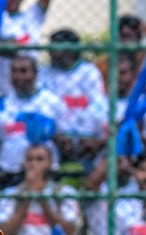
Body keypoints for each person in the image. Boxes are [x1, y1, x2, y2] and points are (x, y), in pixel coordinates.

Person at [0, 56, 69, 190]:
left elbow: (66, 141)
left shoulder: (52, 102)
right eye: (14, 71)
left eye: (23, 71)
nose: (18, 76)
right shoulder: (2, 105)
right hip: (9, 168)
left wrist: (47, 131)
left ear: (36, 75)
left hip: (44, 170)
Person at [41, 31, 109, 163]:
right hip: (56, 136)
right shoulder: (45, 72)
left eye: (55, 48)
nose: (50, 52)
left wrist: (84, 135)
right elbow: (43, 106)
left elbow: (98, 105)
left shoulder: (88, 71)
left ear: (69, 50)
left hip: (86, 134)